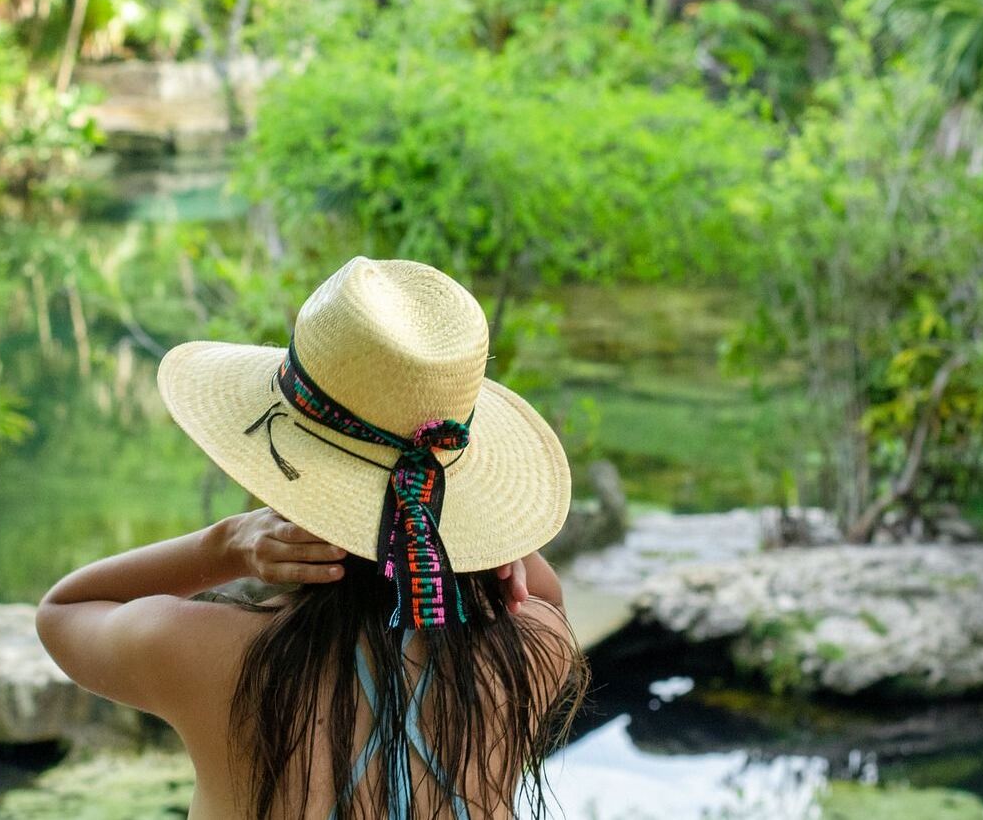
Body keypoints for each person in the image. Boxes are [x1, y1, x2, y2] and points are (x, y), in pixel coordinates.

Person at [38, 257, 589, 818]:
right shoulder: (530, 657)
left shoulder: (205, 654)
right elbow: (548, 603)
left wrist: (226, 545)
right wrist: (496, 544)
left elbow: (62, 611)